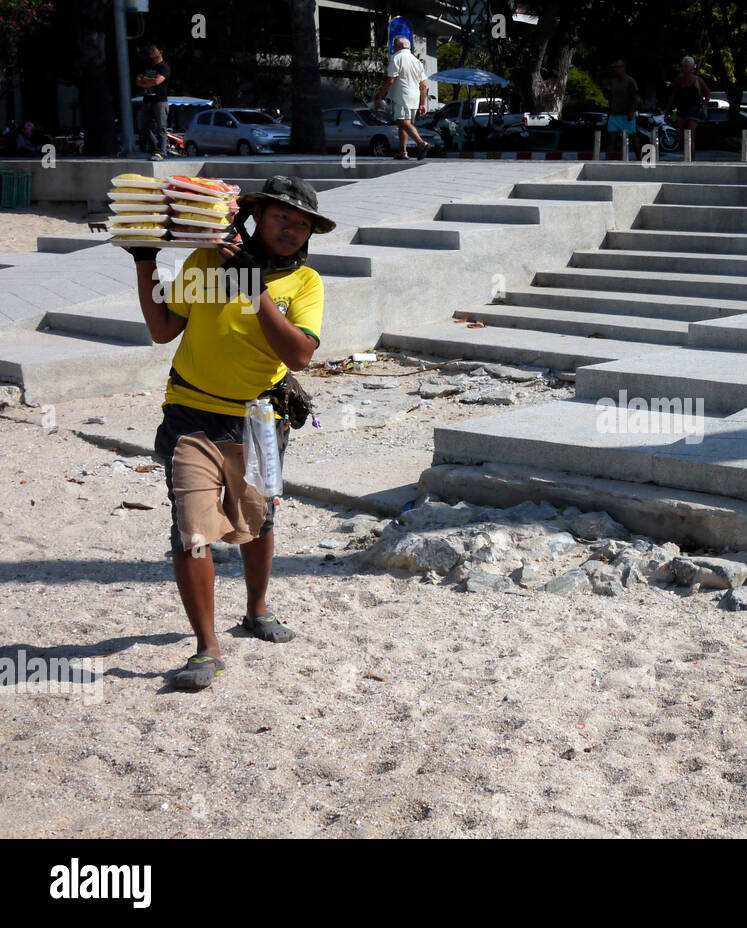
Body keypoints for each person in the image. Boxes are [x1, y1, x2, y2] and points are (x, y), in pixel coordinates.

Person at [125, 175, 334, 690]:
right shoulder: (206, 265)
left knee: (256, 520)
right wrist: (144, 260)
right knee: (192, 529)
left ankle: (257, 610)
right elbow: (162, 330)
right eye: (282, 216)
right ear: (256, 216)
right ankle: (207, 647)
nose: (291, 229)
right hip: (191, 414)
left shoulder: (304, 283)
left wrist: (254, 286)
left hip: (260, 417)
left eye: (302, 223)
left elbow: (299, 355)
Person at [372, 36, 430, 160]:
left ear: (399, 46)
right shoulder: (417, 61)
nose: (393, 47)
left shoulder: (396, 58)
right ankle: (403, 152)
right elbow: (423, 85)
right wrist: (423, 103)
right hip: (414, 97)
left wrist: (380, 97)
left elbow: (390, 80)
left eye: (394, 45)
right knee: (402, 124)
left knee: (403, 122)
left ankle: (421, 143)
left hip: (402, 95)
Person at [664, 56, 711, 146]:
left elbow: (708, 93)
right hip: (681, 109)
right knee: (680, 136)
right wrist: (666, 112)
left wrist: (704, 107)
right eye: (684, 66)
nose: (685, 69)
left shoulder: (698, 80)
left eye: (688, 66)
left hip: (693, 110)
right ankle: (685, 155)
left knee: (690, 136)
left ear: (692, 67)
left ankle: (690, 159)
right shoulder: (679, 80)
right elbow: (672, 96)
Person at [134, 44, 171, 161]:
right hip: (147, 100)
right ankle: (156, 148)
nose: (151, 52)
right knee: (143, 127)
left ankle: (162, 152)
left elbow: (157, 81)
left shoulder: (164, 67)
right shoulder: (146, 65)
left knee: (161, 128)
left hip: (160, 101)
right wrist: (150, 81)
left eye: (154, 50)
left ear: (160, 51)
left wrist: (147, 80)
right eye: (150, 50)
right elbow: (138, 82)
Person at [606, 59, 640, 160]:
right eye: (615, 67)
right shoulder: (614, 82)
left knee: (633, 139)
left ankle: (640, 159)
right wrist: (609, 114)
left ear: (624, 68)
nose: (616, 69)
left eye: (619, 67)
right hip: (614, 115)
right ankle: (607, 162)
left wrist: (632, 112)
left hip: (626, 115)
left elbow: (635, 98)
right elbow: (611, 99)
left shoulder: (630, 81)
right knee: (610, 139)